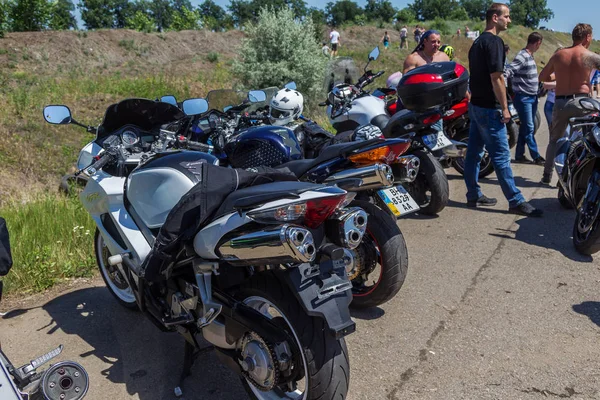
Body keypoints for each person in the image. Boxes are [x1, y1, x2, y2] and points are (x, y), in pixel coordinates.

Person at [464, 3, 543, 217]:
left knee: (473, 153)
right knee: (500, 156)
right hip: (490, 108)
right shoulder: (494, 42)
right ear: (495, 18)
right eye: (506, 17)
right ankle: (515, 200)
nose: (509, 20)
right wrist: (506, 108)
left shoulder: (477, 42)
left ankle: (473, 194)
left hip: (477, 107)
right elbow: (497, 77)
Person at [539, 23, 600, 185]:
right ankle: (570, 177)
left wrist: (558, 76)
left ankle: (547, 175)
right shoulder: (590, 56)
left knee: (554, 140)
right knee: (581, 142)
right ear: (587, 37)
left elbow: (543, 77)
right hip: (581, 102)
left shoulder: (559, 55)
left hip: (560, 102)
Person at [505, 32, 545, 165]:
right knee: (529, 127)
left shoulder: (529, 56)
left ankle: (519, 154)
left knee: (525, 127)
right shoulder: (522, 56)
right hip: (523, 98)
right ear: (537, 43)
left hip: (532, 98)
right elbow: (509, 70)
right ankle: (536, 156)